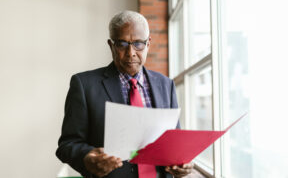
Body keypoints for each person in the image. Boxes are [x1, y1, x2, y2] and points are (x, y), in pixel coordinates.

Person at [56, 10, 193, 178]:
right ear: (111, 45)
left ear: (148, 43)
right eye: (122, 44)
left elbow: (174, 143)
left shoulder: (166, 85)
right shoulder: (84, 85)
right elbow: (67, 144)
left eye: (138, 44)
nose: (131, 53)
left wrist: (183, 162)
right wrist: (87, 158)